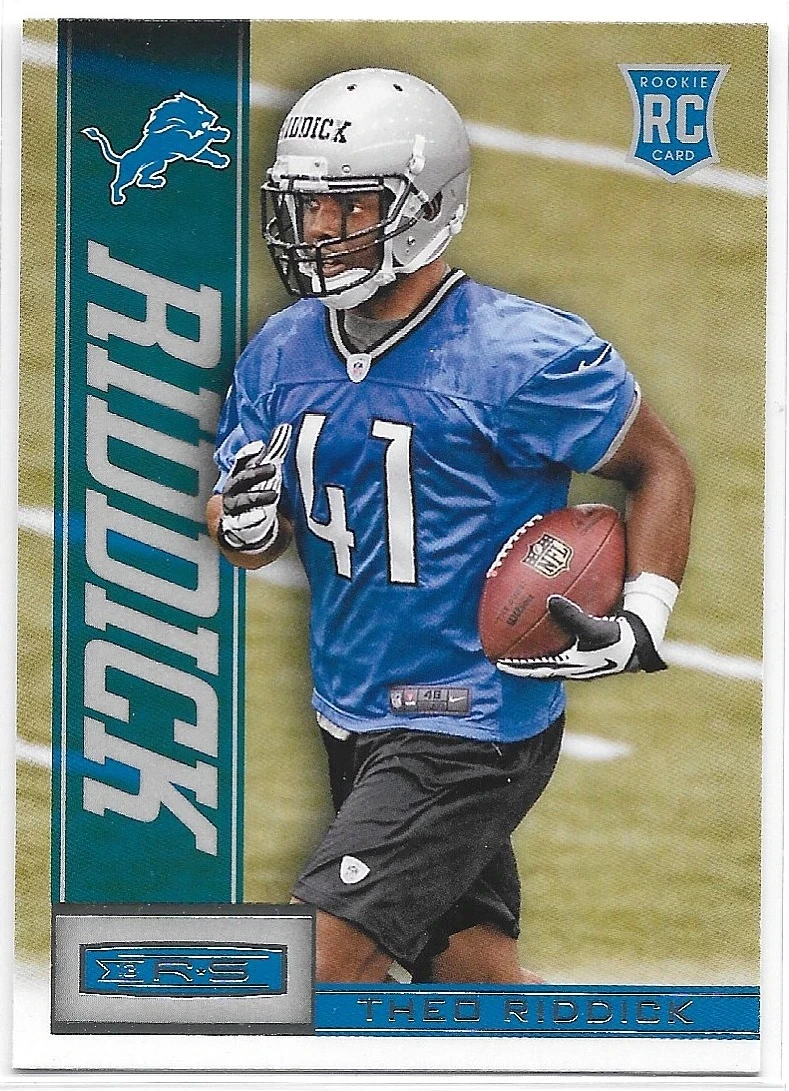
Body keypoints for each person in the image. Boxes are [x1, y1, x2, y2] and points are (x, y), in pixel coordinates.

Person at [207, 68, 695, 984]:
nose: (319, 230)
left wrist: (642, 617)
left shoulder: (519, 354)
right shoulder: (281, 348)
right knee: (475, 979)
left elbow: (658, 464)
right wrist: (241, 521)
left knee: (313, 973)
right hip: (353, 706)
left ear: (423, 206)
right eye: (308, 205)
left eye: (350, 206)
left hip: (468, 722)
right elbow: (249, 534)